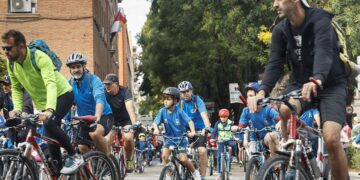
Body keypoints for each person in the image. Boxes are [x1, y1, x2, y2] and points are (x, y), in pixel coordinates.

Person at [247, 0, 349, 178]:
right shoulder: (280, 30)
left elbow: (323, 52)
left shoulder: (320, 20)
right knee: (285, 107)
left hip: (331, 85)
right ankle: (290, 145)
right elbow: (274, 64)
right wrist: (262, 92)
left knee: (332, 139)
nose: (274, 5)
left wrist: (317, 79)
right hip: (301, 84)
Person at [1, 29, 82, 175]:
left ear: (21, 46)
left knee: (50, 123)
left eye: (9, 48)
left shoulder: (39, 57)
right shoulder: (11, 64)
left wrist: (50, 110)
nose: (6, 52)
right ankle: (58, 173)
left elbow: (50, 84)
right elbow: (17, 88)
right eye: (3, 48)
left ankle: (75, 156)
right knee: (50, 137)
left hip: (62, 94)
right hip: (44, 103)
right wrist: (18, 109)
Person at [66, 52, 113, 156]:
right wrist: (64, 119)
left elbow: (99, 99)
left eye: (78, 66)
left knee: (95, 133)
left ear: (84, 66)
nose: (76, 70)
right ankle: (92, 167)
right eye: (73, 67)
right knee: (81, 147)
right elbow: (66, 103)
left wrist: (97, 116)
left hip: (104, 116)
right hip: (85, 120)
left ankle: (108, 161)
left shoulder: (93, 80)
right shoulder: (70, 84)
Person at [153, 87, 201, 180]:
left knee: (183, 159)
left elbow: (190, 122)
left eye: (168, 99)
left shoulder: (179, 111)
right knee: (164, 157)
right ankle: (169, 174)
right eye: (165, 99)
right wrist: (156, 129)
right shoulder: (162, 111)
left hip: (181, 140)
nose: (165, 101)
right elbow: (155, 123)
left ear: (175, 101)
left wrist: (192, 132)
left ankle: (195, 172)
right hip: (169, 139)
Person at [103, 73, 137, 172]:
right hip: (112, 120)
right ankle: (107, 163)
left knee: (128, 138)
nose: (107, 86)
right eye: (105, 84)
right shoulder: (104, 92)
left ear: (116, 84)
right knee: (106, 140)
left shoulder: (125, 92)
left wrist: (133, 125)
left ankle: (129, 159)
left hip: (125, 120)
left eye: (109, 84)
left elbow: (130, 109)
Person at [235, 82, 280, 156]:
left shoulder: (268, 109)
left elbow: (280, 120)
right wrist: (235, 128)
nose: (248, 99)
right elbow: (241, 127)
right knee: (252, 157)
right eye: (247, 96)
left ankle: (275, 164)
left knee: (270, 136)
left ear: (259, 97)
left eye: (251, 96)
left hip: (269, 139)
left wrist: (279, 124)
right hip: (254, 140)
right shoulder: (246, 111)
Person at [177, 81, 211, 179]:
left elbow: (204, 115)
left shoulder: (197, 100)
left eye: (187, 91)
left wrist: (207, 128)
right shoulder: (179, 103)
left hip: (199, 129)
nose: (185, 94)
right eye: (183, 92)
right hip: (185, 130)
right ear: (180, 94)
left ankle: (203, 177)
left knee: (202, 151)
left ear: (191, 91)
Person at [0, 74, 33, 147]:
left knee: (21, 138)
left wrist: (22, 117)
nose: (5, 87)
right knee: (8, 143)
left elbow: (27, 107)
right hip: (11, 125)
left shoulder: (23, 94)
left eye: (8, 84)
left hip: (25, 123)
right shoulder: (3, 95)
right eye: (3, 84)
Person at [210, 108, 236, 180]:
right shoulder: (217, 123)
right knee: (218, 156)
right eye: (221, 117)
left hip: (229, 139)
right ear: (219, 117)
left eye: (224, 117)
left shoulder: (231, 123)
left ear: (227, 117)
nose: (223, 118)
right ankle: (219, 173)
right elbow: (214, 132)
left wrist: (235, 137)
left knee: (234, 145)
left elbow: (234, 131)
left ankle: (234, 156)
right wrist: (212, 138)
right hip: (220, 141)